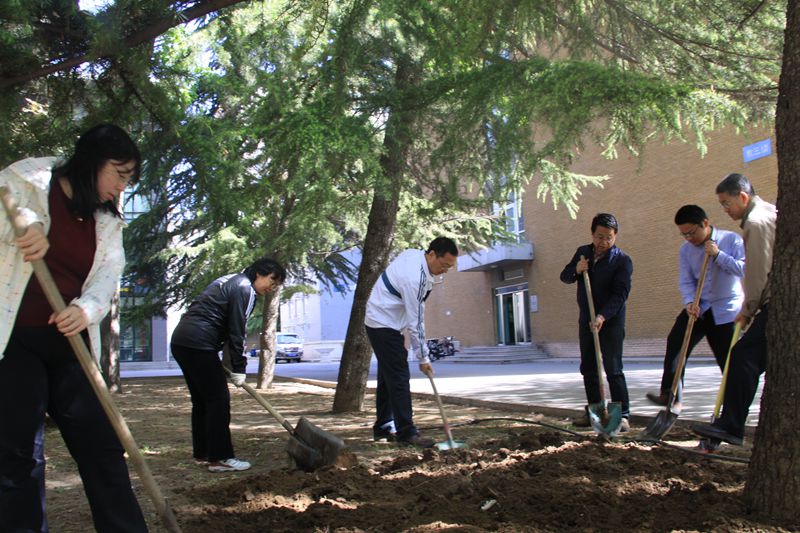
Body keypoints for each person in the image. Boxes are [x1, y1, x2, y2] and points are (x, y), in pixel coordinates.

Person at [0, 125, 148, 532]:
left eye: (129, 179)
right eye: (119, 174)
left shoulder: (106, 219)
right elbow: (8, 213)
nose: (122, 187)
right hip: (14, 343)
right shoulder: (24, 180)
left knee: (101, 446)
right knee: (18, 454)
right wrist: (22, 229)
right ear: (90, 162)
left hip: (71, 342)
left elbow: (107, 276)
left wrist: (85, 310)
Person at [170, 257, 285, 472]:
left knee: (202, 401)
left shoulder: (230, 280)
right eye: (272, 280)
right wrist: (239, 368)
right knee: (217, 400)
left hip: (182, 341)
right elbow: (236, 330)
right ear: (259, 273)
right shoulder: (245, 289)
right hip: (199, 343)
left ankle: (203, 453)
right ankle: (221, 457)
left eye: (276, 284)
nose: (272, 287)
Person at [692, 173, 777, 446]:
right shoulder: (768, 212)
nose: (725, 210)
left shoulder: (755, 222)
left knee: (743, 356)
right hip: (775, 301)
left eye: (727, 203)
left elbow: (757, 272)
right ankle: (728, 424)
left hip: (776, 304)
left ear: (743, 196)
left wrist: (749, 308)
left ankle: (731, 426)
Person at [645, 205, 745, 409]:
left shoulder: (731, 240)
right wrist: (690, 302)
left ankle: (731, 409)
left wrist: (719, 255)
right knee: (676, 342)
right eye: (684, 234)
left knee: (728, 361)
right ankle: (670, 395)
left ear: (705, 223)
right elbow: (686, 280)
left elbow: (743, 269)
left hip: (726, 310)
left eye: (691, 232)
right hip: (699, 308)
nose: (689, 238)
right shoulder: (686, 250)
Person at [365, 237, 458, 448]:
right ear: (431, 254)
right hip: (382, 322)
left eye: (449, 267)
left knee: (388, 375)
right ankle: (406, 432)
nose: (445, 270)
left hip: (384, 320)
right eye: (443, 265)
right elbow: (416, 321)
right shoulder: (414, 278)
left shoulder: (415, 256)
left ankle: (383, 427)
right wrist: (423, 357)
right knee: (398, 375)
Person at [560, 213, 633, 432]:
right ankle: (594, 410)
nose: (604, 242)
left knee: (613, 368)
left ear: (615, 236)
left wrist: (602, 316)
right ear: (592, 234)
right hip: (586, 319)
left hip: (610, 321)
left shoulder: (622, 261)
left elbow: (621, 295)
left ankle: (623, 415)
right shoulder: (583, 253)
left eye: (609, 238)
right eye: (600, 237)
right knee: (589, 367)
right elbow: (565, 276)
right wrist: (576, 270)